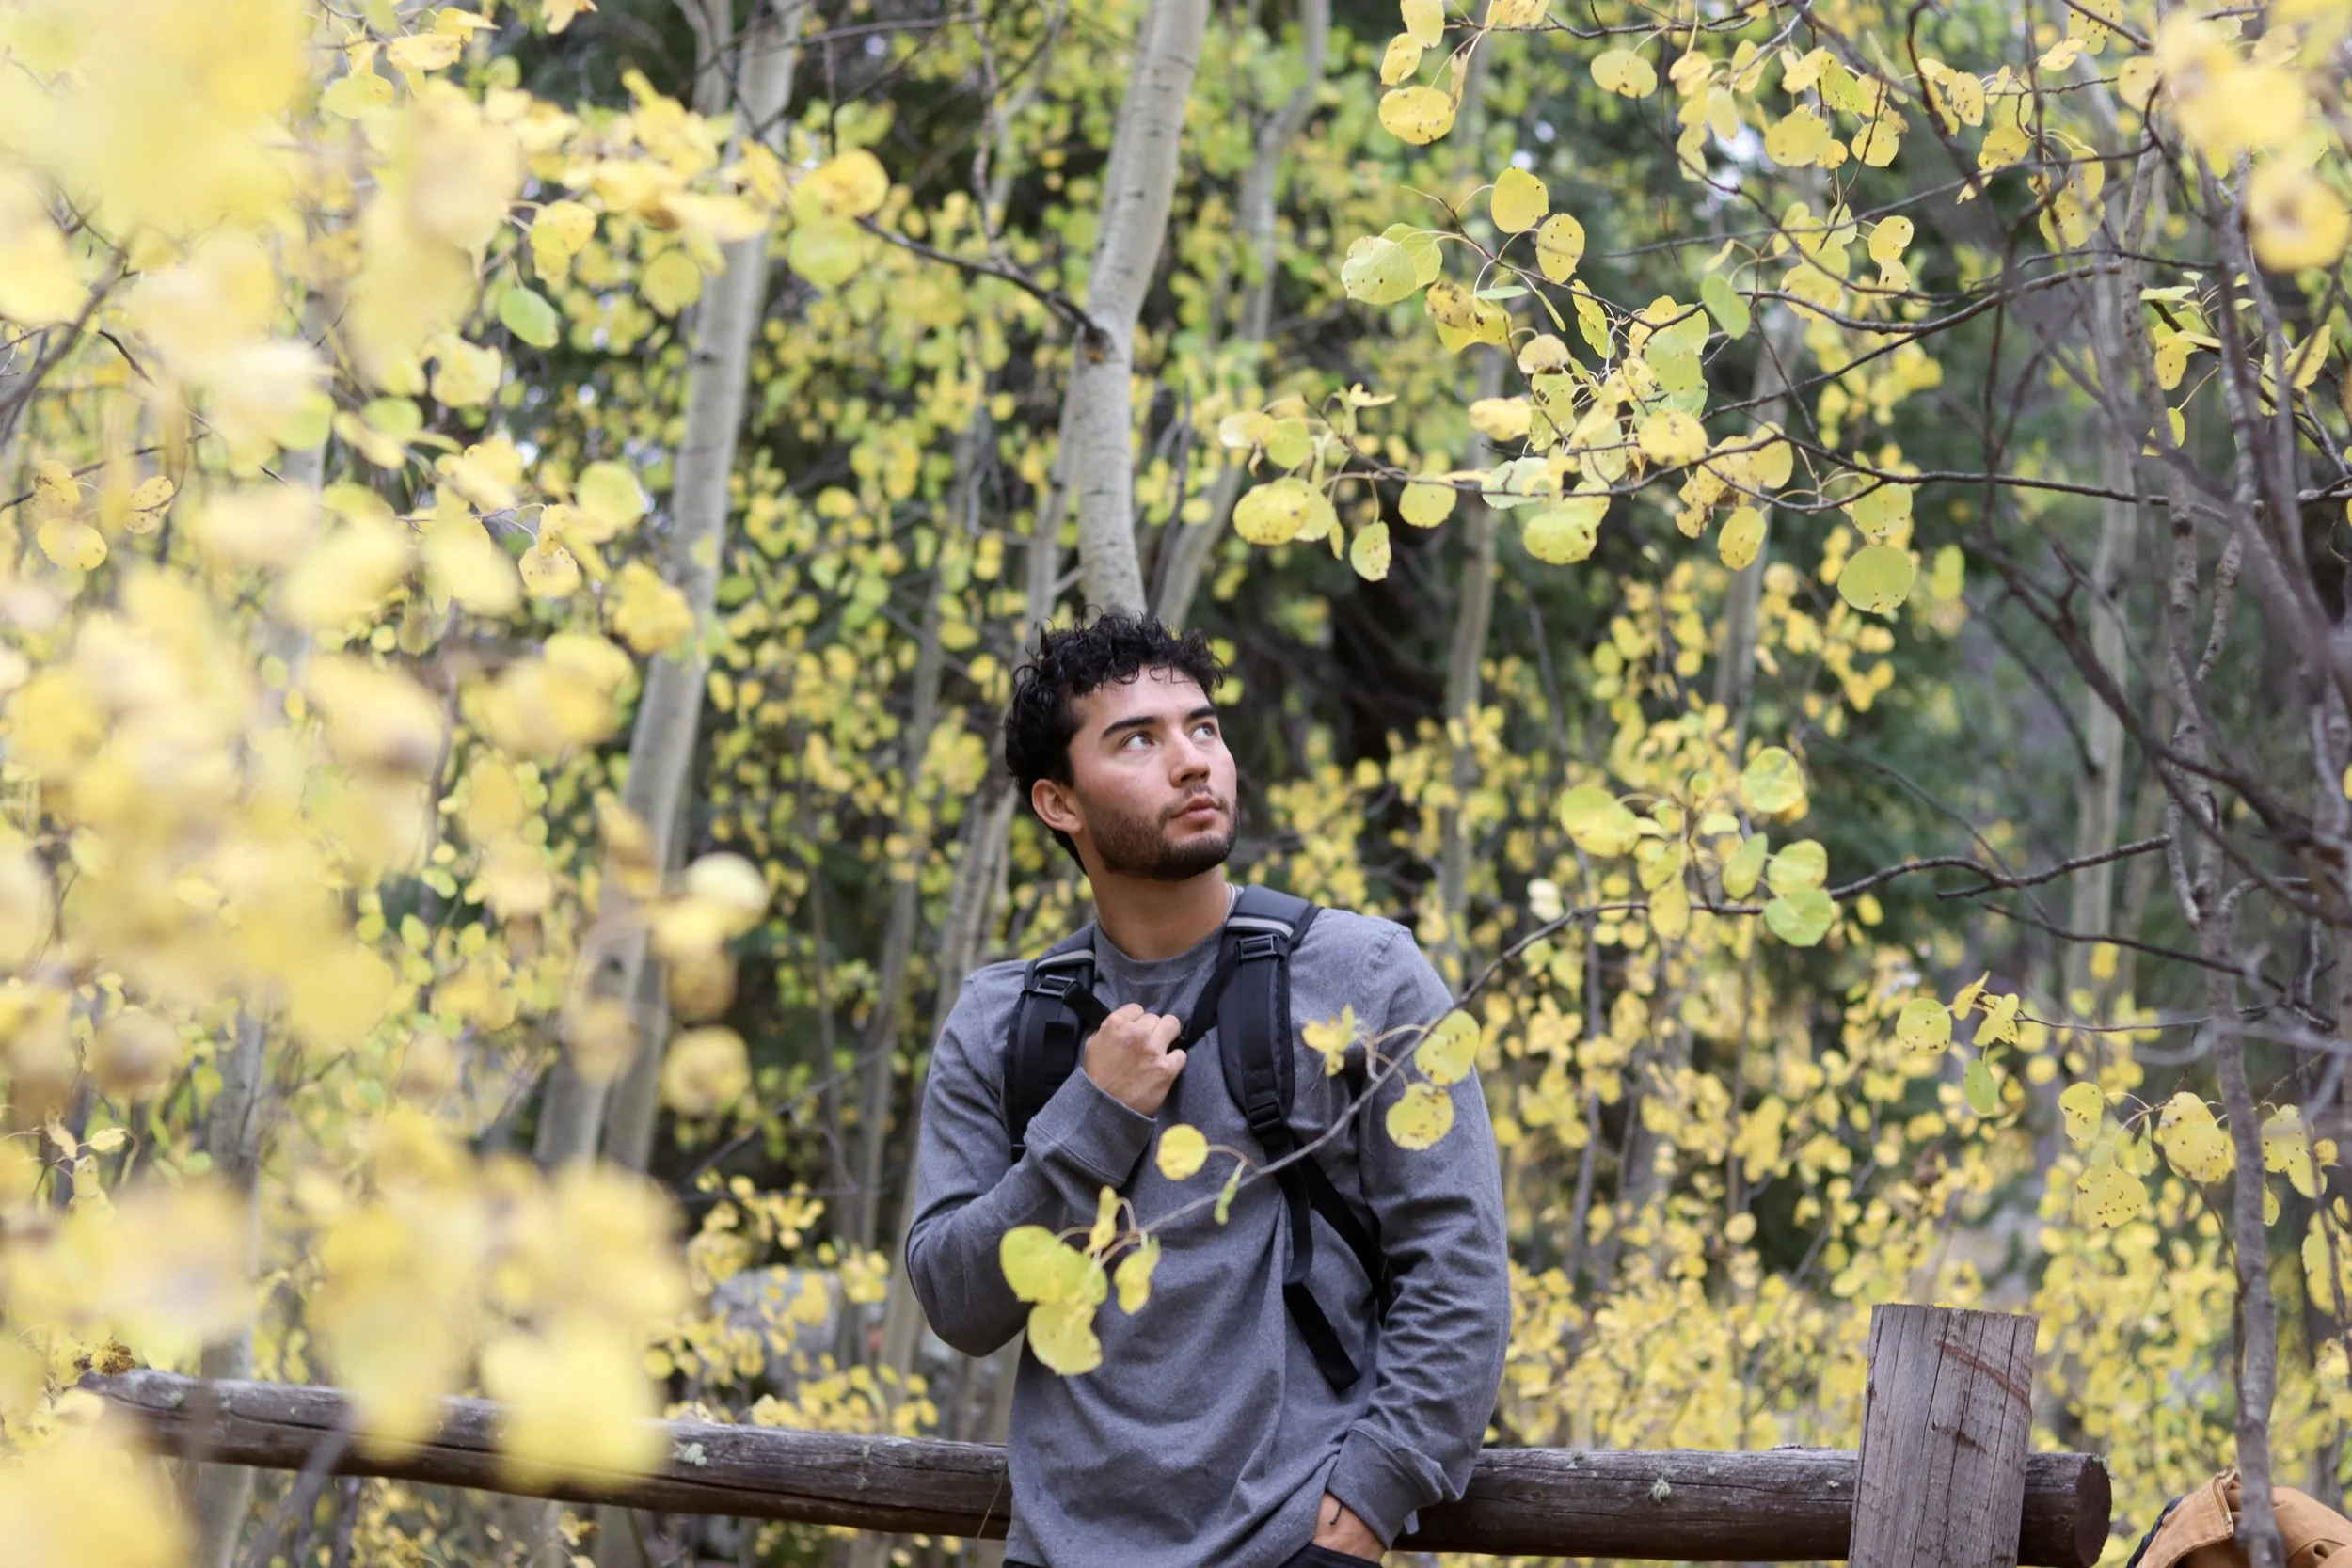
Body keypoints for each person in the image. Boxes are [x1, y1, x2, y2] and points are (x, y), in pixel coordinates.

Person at [905, 613, 1511, 1568]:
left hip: (1300, 1547)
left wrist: (1367, 1502)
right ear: (1058, 803)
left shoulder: (1367, 976)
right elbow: (957, 1300)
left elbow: (1458, 1265)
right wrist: (1091, 1118)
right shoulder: (1000, 1021)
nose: (1193, 760)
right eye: (1137, 739)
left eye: (1203, 727)